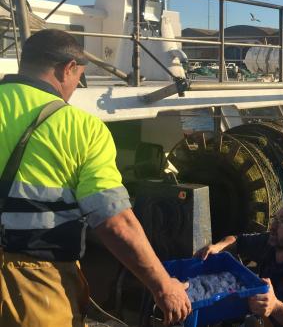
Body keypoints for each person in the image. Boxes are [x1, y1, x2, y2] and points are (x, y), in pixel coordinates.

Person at [0, 30, 191, 326]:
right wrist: (163, 286)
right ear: (68, 69)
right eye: (80, 78)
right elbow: (115, 223)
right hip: (32, 286)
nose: (76, 87)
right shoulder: (81, 127)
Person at [195, 204, 283, 327]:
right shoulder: (273, 242)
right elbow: (238, 240)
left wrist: (276, 307)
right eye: (275, 219)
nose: (273, 226)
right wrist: (217, 247)